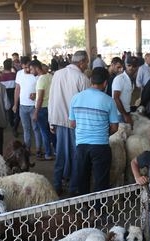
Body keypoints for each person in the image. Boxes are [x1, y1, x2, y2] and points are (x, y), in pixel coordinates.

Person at [69, 67, 120, 196]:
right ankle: (98, 211)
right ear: (105, 83)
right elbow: (114, 127)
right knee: (101, 180)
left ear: (91, 80)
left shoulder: (76, 98)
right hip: (100, 146)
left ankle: (85, 208)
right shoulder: (109, 101)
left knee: (83, 177)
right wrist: (101, 133)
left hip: (81, 146)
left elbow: (72, 123)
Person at [48, 50, 90, 196]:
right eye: (86, 62)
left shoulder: (57, 74)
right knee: (75, 154)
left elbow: (51, 98)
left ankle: (57, 184)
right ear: (81, 62)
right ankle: (73, 188)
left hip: (58, 119)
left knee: (60, 153)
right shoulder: (82, 78)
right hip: (76, 123)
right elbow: (85, 103)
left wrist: (51, 120)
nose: (87, 65)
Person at [13, 58, 41, 155]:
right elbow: (17, 89)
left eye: (29, 67)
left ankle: (38, 150)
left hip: (34, 106)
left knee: (36, 129)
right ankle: (27, 149)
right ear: (21, 66)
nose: (27, 69)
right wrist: (15, 104)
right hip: (22, 106)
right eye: (25, 67)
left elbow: (42, 90)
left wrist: (36, 95)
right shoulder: (19, 74)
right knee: (26, 129)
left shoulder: (36, 75)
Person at [31, 60, 55, 160]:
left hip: (42, 109)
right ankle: (56, 150)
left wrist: (36, 112)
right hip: (50, 107)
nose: (31, 71)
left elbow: (40, 98)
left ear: (37, 68)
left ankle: (48, 153)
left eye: (31, 69)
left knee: (44, 132)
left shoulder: (40, 80)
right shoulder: (50, 76)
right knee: (52, 130)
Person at [112, 56, 137, 125]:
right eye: (129, 65)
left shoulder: (131, 79)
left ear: (137, 67)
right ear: (125, 65)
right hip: (119, 114)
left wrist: (127, 113)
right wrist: (125, 115)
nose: (131, 68)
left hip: (126, 111)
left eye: (134, 66)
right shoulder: (119, 78)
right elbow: (116, 98)